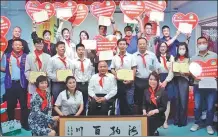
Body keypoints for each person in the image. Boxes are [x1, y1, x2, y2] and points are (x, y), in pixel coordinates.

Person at [190, 36, 217, 135]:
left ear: (207, 43)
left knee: (210, 107)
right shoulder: (193, 58)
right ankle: (197, 123)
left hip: (211, 85)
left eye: (203, 42)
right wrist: (194, 77)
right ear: (197, 45)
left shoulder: (214, 56)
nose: (202, 44)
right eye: (199, 43)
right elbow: (191, 70)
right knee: (197, 106)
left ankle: (209, 124)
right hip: (198, 85)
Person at [3, 39, 30, 130]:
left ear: (22, 47)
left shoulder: (26, 57)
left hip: (22, 84)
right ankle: (11, 124)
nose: (18, 46)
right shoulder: (7, 56)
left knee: (24, 106)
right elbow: (4, 68)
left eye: (19, 45)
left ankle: (24, 124)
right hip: (10, 84)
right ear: (12, 46)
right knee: (10, 105)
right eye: (16, 44)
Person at [133, 37, 160, 114]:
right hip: (138, 81)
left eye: (143, 44)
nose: (142, 45)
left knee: (149, 100)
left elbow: (156, 68)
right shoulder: (133, 56)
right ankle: (139, 117)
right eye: (140, 44)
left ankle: (149, 117)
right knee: (138, 100)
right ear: (137, 45)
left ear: (147, 44)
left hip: (150, 81)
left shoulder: (152, 55)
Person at [111, 39, 136, 115]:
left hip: (129, 83)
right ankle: (123, 119)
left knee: (129, 102)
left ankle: (130, 120)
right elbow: (112, 69)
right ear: (118, 46)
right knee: (121, 102)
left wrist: (131, 80)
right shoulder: (114, 57)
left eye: (124, 44)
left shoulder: (131, 56)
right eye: (120, 44)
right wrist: (116, 75)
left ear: (126, 46)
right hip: (119, 82)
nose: (122, 46)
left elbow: (134, 69)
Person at [156, 42, 175, 128]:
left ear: (167, 48)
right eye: (161, 46)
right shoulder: (155, 57)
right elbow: (154, 70)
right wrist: (158, 81)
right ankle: (159, 121)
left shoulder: (171, 57)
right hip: (158, 80)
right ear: (158, 48)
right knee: (158, 101)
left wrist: (166, 81)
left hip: (169, 80)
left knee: (167, 101)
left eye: (164, 46)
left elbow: (172, 71)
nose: (162, 48)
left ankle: (165, 121)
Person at [143, 71, 167, 136]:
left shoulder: (162, 91)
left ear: (158, 81)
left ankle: (153, 131)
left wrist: (154, 111)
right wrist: (144, 111)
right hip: (148, 114)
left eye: (154, 80)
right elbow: (144, 104)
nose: (152, 81)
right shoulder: (146, 91)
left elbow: (164, 108)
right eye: (150, 79)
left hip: (159, 115)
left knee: (150, 123)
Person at [173, 42, 190, 127]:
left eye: (183, 49)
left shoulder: (188, 59)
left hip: (184, 80)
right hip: (175, 80)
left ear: (186, 50)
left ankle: (182, 121)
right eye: (180, 49)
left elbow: (191, 72)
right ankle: (176, 120)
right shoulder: (175, 59)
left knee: (183, 101)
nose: (181, 50)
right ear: (178, 50)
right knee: (176, 100)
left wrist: (186, 73)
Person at [73, 44, 92, 111]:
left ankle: (84, 117)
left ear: (84, 51)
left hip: (86, 84)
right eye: (79, 50)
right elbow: (72, 74)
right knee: (77, 102)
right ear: (76, 51)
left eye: (82, 50)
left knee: (85, 102)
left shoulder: (88, 61)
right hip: (77, 85)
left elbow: (90, 73)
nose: (81, 51)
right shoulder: (73, 61)